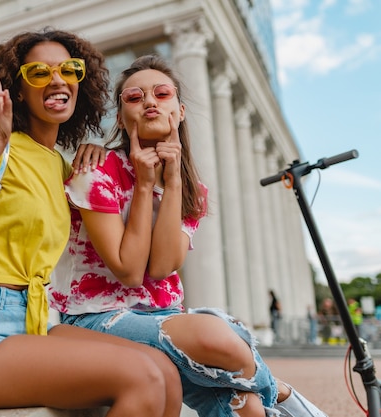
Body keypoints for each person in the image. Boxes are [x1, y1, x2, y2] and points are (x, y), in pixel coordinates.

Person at [50, 55, 327, 417]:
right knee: (217, 338)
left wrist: (173, 181)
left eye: (161, 94)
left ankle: (268, 399)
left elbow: (163, 266)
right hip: (95, 317)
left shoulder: (192, 189)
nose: (149, 101)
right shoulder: (97, 169)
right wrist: (145, 184)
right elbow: (130, 272)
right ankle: (285, 394)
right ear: (119, 118)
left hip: (164, 314)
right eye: (134, 98)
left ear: (179, 111)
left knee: (247, 408)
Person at [0, 29, 182, 416]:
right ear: (19, 90)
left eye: (69, 70)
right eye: (39, 74)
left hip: (35, 323)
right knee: (141, 376)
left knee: (166, 370)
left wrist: (103, 154)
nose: (58, 80)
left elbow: (128, 253)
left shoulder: (64, 165)